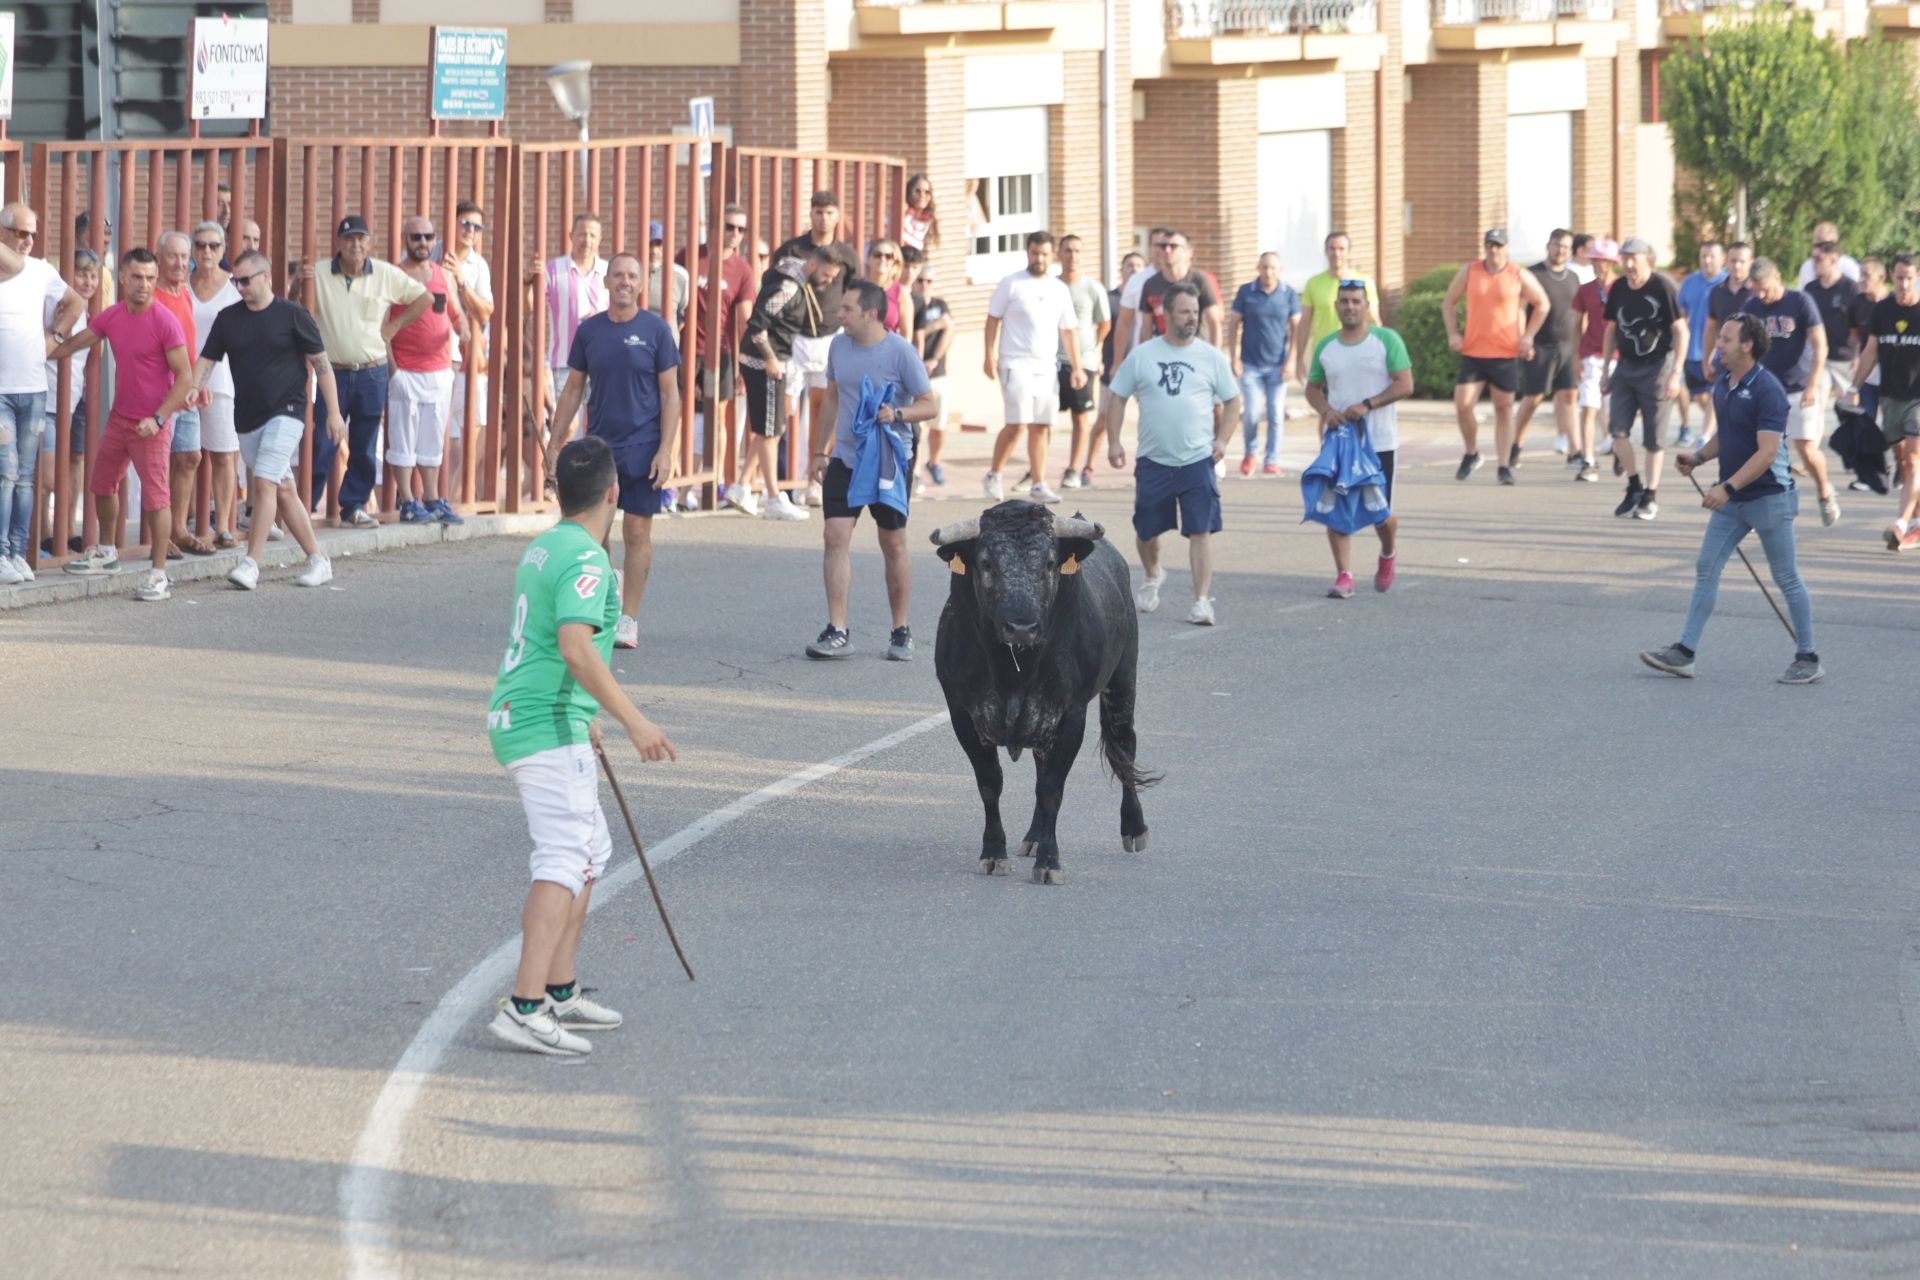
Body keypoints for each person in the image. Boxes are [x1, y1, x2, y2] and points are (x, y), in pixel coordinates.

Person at [486, 435, 679, 1058]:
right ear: (614, 493)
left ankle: (558, 989)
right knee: (564, 859)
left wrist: (587, 713)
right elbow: (573, 643)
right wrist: (634, 722)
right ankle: (523, 1005)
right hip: (541, 722)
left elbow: (551, 643)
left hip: (544, 714)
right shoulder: (589, 560)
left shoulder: (547, 547)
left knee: (590, 847)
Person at [1640, 312, 1822, 685]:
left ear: (1747, 345)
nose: (1717, 345)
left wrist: (1726, 488)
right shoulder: (1724, 383)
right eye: (1719, 337)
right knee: (1707, 567)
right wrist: (1699, 457)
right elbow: (1729, 433)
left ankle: (1808, 656)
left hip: (1769, 497)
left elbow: (1767, 453)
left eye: (1725, 339)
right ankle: (1684, 653)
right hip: (1735, 499)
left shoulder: (1767, 389)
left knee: (1786, 577)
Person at [549, 253, 682, 650]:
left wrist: (667, 450)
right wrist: (556, 442)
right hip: (599, 448)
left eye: (632, 276)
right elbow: (573, 389)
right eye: (618, 275)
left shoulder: (656, 330)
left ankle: (629, 618)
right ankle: (608, 600)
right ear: (606, 282)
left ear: (641, 285)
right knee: (595, 533)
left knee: (637, 531)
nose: (625, 282)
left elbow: (670, 392)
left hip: (643, 448)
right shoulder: (590, 331)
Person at [51, 248, 196, 600]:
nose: (144, 284)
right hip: (120, 418)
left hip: (152, 423)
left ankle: (159, 574)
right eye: (137, 277)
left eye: (150, 278)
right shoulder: (112, 316)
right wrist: (47, 344)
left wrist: (159, 418)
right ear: (122, 279)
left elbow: (185, 378)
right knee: (102, 485)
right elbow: (75, 343)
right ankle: (107, 551)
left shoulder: (164, 321)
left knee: (156, 499)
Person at [194, 249, 342, 591]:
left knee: (262, 482)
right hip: (248, 418)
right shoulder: (228, 318)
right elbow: (206, 362)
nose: (240, 287)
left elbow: (321, 365)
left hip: (288, 411)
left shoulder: (293, 315)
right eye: (236, 281)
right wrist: (192, 389)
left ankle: (251, 563)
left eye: (246, 280)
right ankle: (319, 560)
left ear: (266, 278)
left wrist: (333, 412)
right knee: (284, 489)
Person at [804, 280, 935, 661]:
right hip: (846, 459)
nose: (839, 314)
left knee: (892, 542)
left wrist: (898, 414)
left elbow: (929, 405)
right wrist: (818, 450)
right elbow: (831, 397)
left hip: (888, 462)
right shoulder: (839, 345)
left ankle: (901, 630)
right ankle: (838, 629)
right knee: (835, 536)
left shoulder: (900, 353)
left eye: (847, 309)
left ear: (871, 314)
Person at [1103, 282, 1239, 626]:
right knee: (1147, 530)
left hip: (1197, 460)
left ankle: (1201, 601)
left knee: (1200, 530)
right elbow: (1117, 396)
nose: (1192, 318)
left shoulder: (1210, 357)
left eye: (1195, 311)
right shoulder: (1144, 355)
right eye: (1184, 311)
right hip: (1154, 459)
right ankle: (1152, 575)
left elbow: (1233, 400)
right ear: (1167, 314)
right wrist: (1114, 442)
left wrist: (1222, 441)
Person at [303, 214, 430, 525]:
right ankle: (304, 508)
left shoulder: (384, 272)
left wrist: (394, 326)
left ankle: (354, 506)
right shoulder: (319, 272)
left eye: (360, 238)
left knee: (364, 441)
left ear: (369, 242)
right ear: (339, 243)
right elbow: (297, 307)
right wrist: (298, 283)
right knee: (323, 441)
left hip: (372, 371)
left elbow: (424, 298)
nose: (355, 244)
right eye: (348, 239)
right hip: (332, 372)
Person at [1303, 280, 1414, 599]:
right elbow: (1313, 387)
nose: (1349, 307)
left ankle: (1387, 553)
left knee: (1382, 513)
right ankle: (1344, 575)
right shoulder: (1326, 346)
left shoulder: (1385, 340)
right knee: (1335, 508)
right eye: (1344, 301)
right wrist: (1327, 410)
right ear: (1336, 306)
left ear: (1366, 306)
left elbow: (1405, 384)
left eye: (1355, 301)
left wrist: (1366, 405)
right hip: (1339, 442)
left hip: (1378, 441)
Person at [0, 201, 83, 585]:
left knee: (25, 478)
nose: (29, 240)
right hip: (1, 390)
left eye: (33, 232)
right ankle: (2, 552)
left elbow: (76, 301)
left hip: (33, 388)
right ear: (5, 232)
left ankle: (18, 552)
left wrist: (56, 337)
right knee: (6, 473)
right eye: (21, 232)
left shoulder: (41, 271)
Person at [734, 244, 842, 521]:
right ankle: (773, 498)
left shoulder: (793, 275)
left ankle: (742, 485)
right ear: (814, 265)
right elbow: (757, 327)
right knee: (771, 431)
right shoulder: (789, 287)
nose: (828, 282)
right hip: (767, 364)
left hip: (772, 361)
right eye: (827, 276)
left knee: (769, 427)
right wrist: (770, 359)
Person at [1442, 228, 1549, 484]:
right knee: (1463, 404)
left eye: (1499, 245)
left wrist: (1528, 336)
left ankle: (1503, 466)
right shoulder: (1471, 271)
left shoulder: (1517, 273)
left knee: (1503, 409)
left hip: (1504, 353)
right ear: (1484, 247)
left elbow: (1542, 304)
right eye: (1490, 245)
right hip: (1474, 351)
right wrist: (1453, 334)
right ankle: (1472, 452)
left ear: (1507, 247)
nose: (1494, 250)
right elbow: (1449, 302)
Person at [981, 231, 1082, 505]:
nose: (1040, 258)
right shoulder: (1011, 283)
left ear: (1053, 256)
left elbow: (1069, 330)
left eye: (1045, 254)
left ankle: (1038, 482)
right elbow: (992, 320)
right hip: (1015, 362)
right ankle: (994, 474)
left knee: (1041, 426)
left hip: (1046, 366)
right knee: (1018, 423)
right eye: (1035, 253)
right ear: (1028, 252)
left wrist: (1077, 366)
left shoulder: (1058, 289)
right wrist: (988, 355)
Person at [773, 191, 858, 502]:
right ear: (811, 214)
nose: (824, 218)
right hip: (794, 337)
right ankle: (782, 482)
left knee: (823, 408)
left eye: (830, 212)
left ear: (838, 215)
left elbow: (853, 296)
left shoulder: (847, 255)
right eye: (819, 211)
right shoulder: (792, 249)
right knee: (785, 411)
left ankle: (814, 479)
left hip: (829, 337)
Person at [1744, 257, 1836, 526]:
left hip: (1799, 387)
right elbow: (1743, 349)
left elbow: (1820, 346)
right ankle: (1755, 510)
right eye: (1756, 289)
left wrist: (1812, 385)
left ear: (1777, 277)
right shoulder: (1752, 307)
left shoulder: (1800, 301)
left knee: (1806, 450)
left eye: (1765, 288)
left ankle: (1824, 491)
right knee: (1760, 452)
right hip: (1766, 391)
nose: (1761, 294)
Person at [1602, 238, 1687, 520]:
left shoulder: (1662, 287)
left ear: (1647, 260)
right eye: (1624, 258)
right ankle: (1634, 485)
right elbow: (1611, 329)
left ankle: (1651, 494)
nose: (1628, 264)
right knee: (1618, 431)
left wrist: (1676, 373)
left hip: (1658, 367)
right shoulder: (1618, 288)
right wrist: (1605, 369)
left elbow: (1680, 331)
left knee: (1654, 438)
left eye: (1633, 259)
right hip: (1626, 367)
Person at [387, 214, 464, 525]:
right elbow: (382, 325)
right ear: (406, 239)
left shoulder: (443, 275)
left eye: (428, 237)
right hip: (405, 369)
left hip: (439, 370)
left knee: (433, 439)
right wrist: (394, 371)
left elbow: (456, 315)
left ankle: (432, 498)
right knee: (403, 439)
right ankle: (408, 501)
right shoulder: (394, 275)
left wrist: (463, 338)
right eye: (416, 237)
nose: (422, 243)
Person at [688, 202, 755, 508]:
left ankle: (712, 481)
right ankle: (677, 484)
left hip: (723, 353)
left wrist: (742, 364)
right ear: (715, 227)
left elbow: (743, 321)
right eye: (729, 226)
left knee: (718, 419)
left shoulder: (742, 270)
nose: (735, 234)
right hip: (688, 350)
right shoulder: (691, 256)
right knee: (679, 416)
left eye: (741, 229)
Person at [1851, 252, 1920, 551]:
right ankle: (1917, 522)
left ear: (1916, 277)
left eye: (1909, 278)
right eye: (1899, 278)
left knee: (1915, 460)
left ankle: (1900, 522)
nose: (1904, 284)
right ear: (1891, 277)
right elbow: (1870, 352)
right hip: (1890, 396)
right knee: (1903, 463)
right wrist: (1854, 387)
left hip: (1918, 397)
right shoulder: (1882, 311)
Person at [535, 212, 609, 474]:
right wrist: (527, 282)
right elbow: (532, 307)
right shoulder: (554, 270)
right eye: (582, 234)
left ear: (599, 239)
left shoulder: (608, 272)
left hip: (601, 364)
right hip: (564, 361)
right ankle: (552, 470)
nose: (586, 240)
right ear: (570, 236)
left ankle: (586, 480)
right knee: (565, 424)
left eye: (592, 235)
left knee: (598, 427)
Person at [154, 231, 213, 555]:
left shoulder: (185, 294)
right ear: (160, 258)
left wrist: (199, 384)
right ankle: (158, 537)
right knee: (159, 465)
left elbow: (189, 345)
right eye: (172, 256)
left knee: (190, 457)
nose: (179, 263)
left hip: (187, 390)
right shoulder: (153, 296)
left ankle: (178, 529)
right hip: (162, 393)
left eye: (183, 257)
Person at [40, 248, 101, 559]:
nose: (88, 281)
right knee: (48, 475)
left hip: (75, 400)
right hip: (49, 400)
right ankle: (45, 532)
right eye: (81, 274)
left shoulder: (91, 311)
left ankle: (70, 529)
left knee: (76, 462)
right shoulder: (57, 305)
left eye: (93, 275)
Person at [187, 222, 243, 548]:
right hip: (184, 382)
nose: (206, 251)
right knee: (186, 456)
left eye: (213, 245)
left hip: (222, 382)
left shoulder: (235, 288)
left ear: (223, 250)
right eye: (200, 245)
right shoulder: (183, 285)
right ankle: (187, 524)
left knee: (223, 455)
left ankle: (222, 525)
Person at [1512, 229, 1582, 470]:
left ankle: (1576, 452)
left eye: (1565, 247)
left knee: (1570, 397)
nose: (1560, 250)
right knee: (1533, 399)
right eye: (1556, 245)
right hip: (1539, 346)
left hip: (1567, 347)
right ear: (1548, 246)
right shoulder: (1534, 274)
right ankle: (1515, 444)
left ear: (1570, 250)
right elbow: (1520, 308)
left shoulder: (1573, 278)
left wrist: (1579, 348)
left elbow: (1579, 315)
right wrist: (1524, 338)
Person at [1228, 252, 1302, 477]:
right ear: (1258, 268)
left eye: (1272, 268)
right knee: (1251, 413)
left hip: (1277, 365)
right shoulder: (1246, 292)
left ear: (1280, 270)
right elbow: (1233, 325)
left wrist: (1291, 360)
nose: (1268, 272)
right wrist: (1234, 357)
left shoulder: (1288, 294)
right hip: (1250, 364)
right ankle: (1251, 452)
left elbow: (1297, 329)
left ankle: (1271, 459)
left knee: (1275, 413)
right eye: (1264, 267)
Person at [1114, 229, 1224, 370]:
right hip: (1163, 358)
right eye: (1162, 246)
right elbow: (1146, 328)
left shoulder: (1200, 281)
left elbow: (1214, 322)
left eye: (1173, 246)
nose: (1167, 250)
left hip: (1196, 357)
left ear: (1187, 251)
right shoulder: (1151, 284)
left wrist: (1215, 359)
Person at [444, 200, 495, 505]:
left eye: (477, 227)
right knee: (442, 438)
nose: (470, 231)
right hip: (432, 355)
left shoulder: (479, 265)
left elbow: (486, 312)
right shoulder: (433, 251)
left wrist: (462, 284)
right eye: (465, 223)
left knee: (470, 438)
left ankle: (453, 499)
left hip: (468, 358)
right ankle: (437, 497)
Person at [1087, 250, 1147, 489]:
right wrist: (1101, 359)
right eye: (1129, 265)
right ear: (1122, 270)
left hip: (1143, 368)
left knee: (1149, 418)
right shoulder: (1110, 298)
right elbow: (1099, 330)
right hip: (1115, 366)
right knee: (1104, 418)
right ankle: (1087, 467)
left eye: (1139, 266)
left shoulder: (1148, 299)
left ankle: (1145, 465)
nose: (1134, 269)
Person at [1057, 233, 1111, 492]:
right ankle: (1036, 470)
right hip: (1052, 361)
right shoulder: (1051, 285)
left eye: (1077, 251)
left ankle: (1073, 469)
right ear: (1060, 253)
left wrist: (1092, 348)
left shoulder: (1092, 288)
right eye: (1068, 250)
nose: (1072, 256)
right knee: (1040, 419)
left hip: (1084, 362)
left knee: (1081, 418)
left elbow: (1104, 323)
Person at [1568, 238, 1620, 482]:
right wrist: (1576, 357)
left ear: (1611, 263)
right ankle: (1588, 459)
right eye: (1595, 260)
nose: (1598, 265)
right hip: (1591, 354)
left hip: (1619, 357)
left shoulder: (1622, 287)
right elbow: (1577, 324)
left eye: (1603, 261)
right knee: (1589, 407)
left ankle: (1618, 446)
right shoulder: (1585, 289)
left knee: (1614, 410)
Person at [1804, 239, 1862, 455]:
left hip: (1845, 357)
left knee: (1847, 407)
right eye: (1813, 259)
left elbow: (1860, 324)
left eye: (1819, 259)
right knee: (1815, 404)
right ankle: (1812, 450)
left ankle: (1856, 453)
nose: (1814, 263)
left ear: (1834, 260)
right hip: (1819, 358)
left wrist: (1858, 354)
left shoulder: (1850, 288)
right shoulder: (1810, 289)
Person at [1675, 241, 1727, 449]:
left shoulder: (1726, 283)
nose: (1706, 261)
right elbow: (1681, 312)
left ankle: (1706, 436)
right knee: (1700, 396)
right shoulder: (1690, 282)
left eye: (1711, 256)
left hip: (1719, 351)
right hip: (1692, 350)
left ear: (1721, 259)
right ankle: (1722, 428)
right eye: (1703, 256)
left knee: (1715, 393)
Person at [1298, 231, 1380, 360]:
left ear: (1349, 252)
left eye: (1341, 249)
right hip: (1324, 354)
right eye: (1332, 248)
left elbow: (1374, 321)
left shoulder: (1365, 282)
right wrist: (1298, 358)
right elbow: (1304, 323)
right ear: (1326, 251)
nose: (1336, 253)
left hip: (1357, 352)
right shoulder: (1313, 284)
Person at [914, 263, 954, 488]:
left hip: (938, 373)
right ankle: (917, 471)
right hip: (917, 375)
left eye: (928, 281)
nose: (924, 285)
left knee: (940, 424)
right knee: (920, 427)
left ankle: (934, 462)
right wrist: (933, 326)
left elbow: (950, 329)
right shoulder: (910, 304)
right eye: (920, 280)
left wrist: (934, 358)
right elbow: (911, 334)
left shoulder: (940, 305)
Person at [1702, 240, 1754, 378]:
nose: (1737, 266)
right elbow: (1711, 328)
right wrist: (1706, 360)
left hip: (1752, 362)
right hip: (1725, 360)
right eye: (1733, 260)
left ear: (1750, 262)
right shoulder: (1716, 292)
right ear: (1726, 261)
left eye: (1742, 261)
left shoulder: (1757, 291)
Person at [645, 220, 691, 334]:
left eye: (658, 244)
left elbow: (683, 311)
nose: (654, 250)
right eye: (650, 244)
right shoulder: (632, 272)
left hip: (667, 343)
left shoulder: (680, 275)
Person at [1795, 220, 1861, 288]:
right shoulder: (1807, 267)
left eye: (1823, 244)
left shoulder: (1850, 267)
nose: (1818, 249)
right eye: (1815, 245)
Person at [901, 173, 939, 253]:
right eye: (917, 191)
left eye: (927, 192)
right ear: (908, 193)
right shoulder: (902, 215)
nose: (922, 195)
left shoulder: (928, 220)